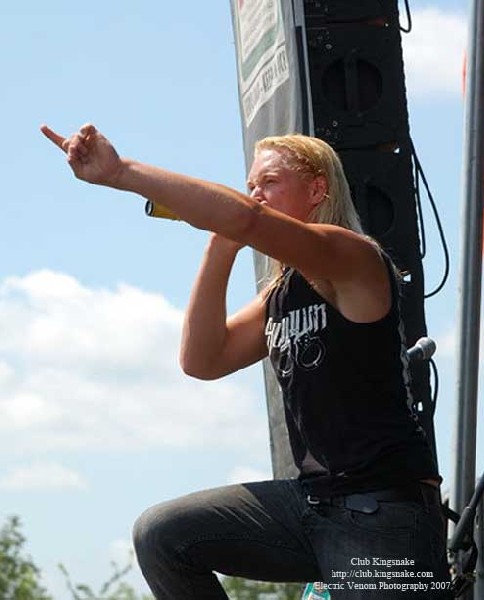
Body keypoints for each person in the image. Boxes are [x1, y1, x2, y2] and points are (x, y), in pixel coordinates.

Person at [41, 123, 452, 599]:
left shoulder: (352, 256)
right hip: (314, 505)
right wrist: (219, 244)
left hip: (384, 512)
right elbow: (202, 359)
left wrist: (121, 173)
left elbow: (247, 220)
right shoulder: (280, 294)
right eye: (251, 185)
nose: (256, 193)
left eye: (270, 183)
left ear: (317, 188)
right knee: (163, 533)